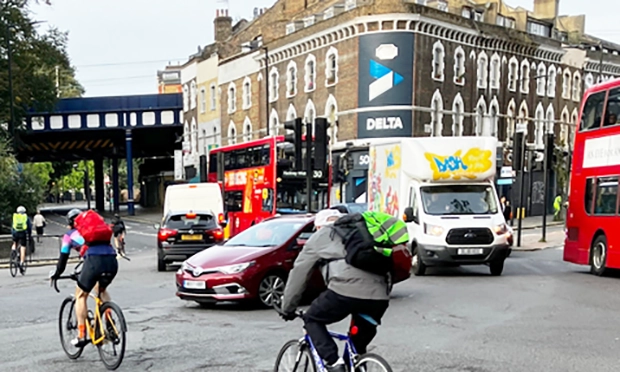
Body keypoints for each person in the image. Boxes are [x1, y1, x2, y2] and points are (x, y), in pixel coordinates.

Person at [280, 209, 390, 372]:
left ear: (318, 226)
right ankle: (355, 365)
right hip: (379, 297)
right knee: (356, 349)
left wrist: (287, 307)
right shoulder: (364, 232)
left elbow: (299, 273)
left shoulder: (320, 236)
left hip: (344, 291)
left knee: (312, 319)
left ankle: (333, 362)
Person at [50, 209, 118, 347]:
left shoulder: (69, 236)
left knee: (80, 295)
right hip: (112, 260)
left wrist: (57, 273)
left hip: (93, 262)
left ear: (70, 223)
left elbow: (63, 258)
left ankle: (81, 335)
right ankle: (109, 322)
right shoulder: (95, 230)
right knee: (101, 289)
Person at [11, 206, 32, 274]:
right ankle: (21, 262)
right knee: (23, 247)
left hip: (15, 233)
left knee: (15, 243)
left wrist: (13, 233)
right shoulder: (26, 217)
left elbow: (12, 226)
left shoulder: (15, 217)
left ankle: (13, 251)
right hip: (23, 234)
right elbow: (29, 227)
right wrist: (29, 234)